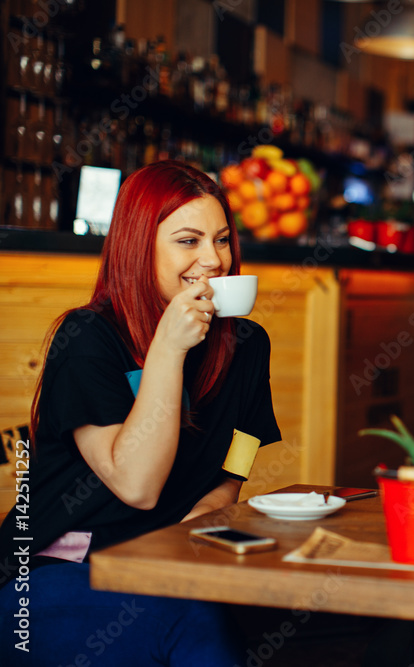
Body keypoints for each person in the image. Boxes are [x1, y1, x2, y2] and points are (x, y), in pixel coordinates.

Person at [0, 160, 282, 666]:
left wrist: (205, 515)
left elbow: (242, 449)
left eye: (221, 240)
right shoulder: (88, 339)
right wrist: (168, 351)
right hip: (64, 564)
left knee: (243, 617)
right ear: (139, 246)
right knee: (197, 627)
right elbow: (136, 484)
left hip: (164, 558)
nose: (214, 260)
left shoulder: (246, 343)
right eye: (188, 241)